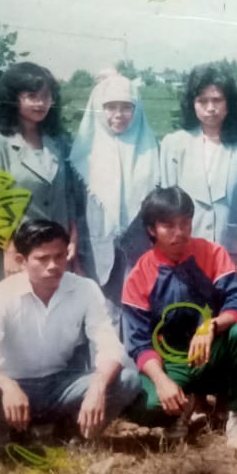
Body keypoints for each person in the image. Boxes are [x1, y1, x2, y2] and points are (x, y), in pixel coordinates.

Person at [0, 220, 142, 453]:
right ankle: (9, 439)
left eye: (60, 256)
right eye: (42, 259)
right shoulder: (0, 296)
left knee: (128, 380)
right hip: (14, 387)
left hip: (61, 385)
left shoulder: (84, 289)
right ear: (21, 261)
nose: (53, 266)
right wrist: (7, 385)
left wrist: (98, 387)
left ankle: (73, 434)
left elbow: (110, 346)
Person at [120, 186, 237, 448]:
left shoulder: (211, 253)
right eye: (169, 226)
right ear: (152, 230)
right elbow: (138, 342)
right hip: (171, 361)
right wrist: (162, 382)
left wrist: (212, 325)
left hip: (212, 352)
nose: (180, 233)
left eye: (185, 223)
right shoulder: (139, 274)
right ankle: (181, 409)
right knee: (147, 406)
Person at [160, 64, 237, 322]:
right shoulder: (175, 143)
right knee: (194, 323)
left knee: (236, 320)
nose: (210, 107)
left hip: (233, 249)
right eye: (202, 100)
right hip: (187, 248)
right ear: (192, 104)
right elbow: (168, 203)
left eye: (217, 100)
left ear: (229, 104)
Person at [70, 71, 160, 322]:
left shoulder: (151, 150)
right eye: (110, 107)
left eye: (126, 107)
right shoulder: (82, 154)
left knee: (139, 313)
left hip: (139, 251)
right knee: (100, 318)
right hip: (96, 254)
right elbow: (74, 208)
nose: (118, 115)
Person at [0, 62, 78, 286]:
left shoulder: (59, 142)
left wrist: (73, 236)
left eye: (46, 96)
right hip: (18, 253)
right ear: (13, 98)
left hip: (56, 253)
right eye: (32, 96)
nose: (40, 103)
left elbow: (69, 195)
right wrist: (10, 249)